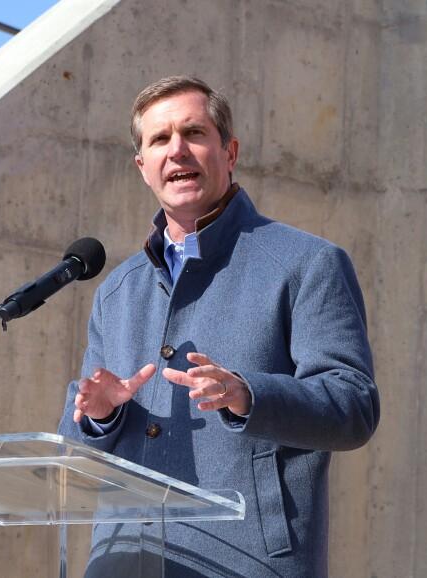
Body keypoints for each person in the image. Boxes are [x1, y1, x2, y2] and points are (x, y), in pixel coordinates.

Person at [57, 76, 379, 577]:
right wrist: (99, 417)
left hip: (246, 559)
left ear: (229, 152)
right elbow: (73, 443)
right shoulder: (116, 292)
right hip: (123, 561)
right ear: (142, 167)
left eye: (194, 133)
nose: (177, 150)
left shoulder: (307, 263)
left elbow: (354, 406)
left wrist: (247, 393)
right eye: (160, 140)